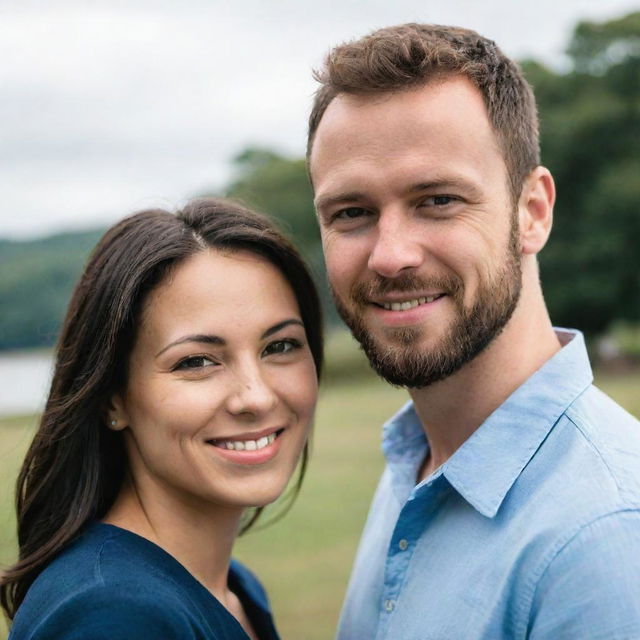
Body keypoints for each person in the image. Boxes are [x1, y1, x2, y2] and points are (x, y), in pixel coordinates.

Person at [307, 23, 640, 639]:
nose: (390, 255)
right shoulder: (418, 462)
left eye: (437, 200)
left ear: (532, 212)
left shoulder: (604, 538)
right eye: (351, 213)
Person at [1, 197, 323, 640]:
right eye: (196, 361)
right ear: (112, 399)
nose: (257, 396)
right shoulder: (114, 616)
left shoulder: (233, 589)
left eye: (280, 346)